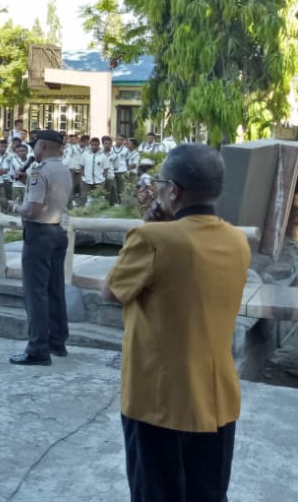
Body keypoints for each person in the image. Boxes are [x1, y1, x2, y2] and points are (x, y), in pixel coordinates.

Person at [102, 144, 250, 501]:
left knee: (155, 492)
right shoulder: (237, 240)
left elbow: (111, 291)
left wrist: (150, 223)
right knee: (208, 493)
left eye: (160, 183)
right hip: (217, 399)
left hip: (158, 400)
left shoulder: (153, 238)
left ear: (173, 190)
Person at [7, 130, 72, 365]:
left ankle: (37, 348)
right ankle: (57, 342)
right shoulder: (64, 170)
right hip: (57, 231)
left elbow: (33, 210)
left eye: (34, 146)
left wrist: (16, 206)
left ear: (43, 146)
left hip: (39, 233)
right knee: (55, 290)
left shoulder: (39, 171)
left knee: (35, 293)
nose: (33, 150)